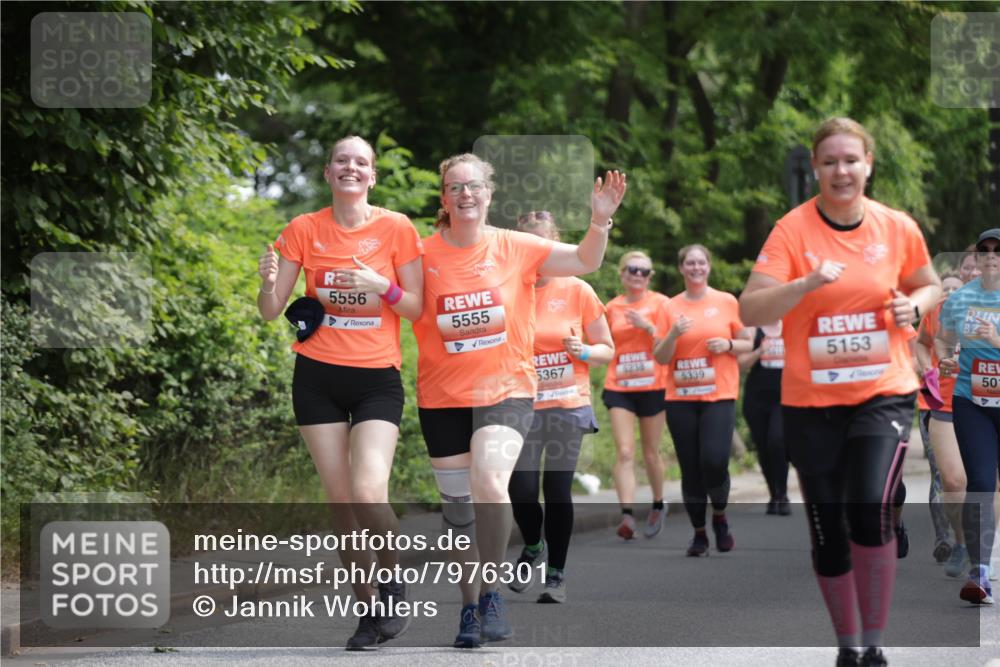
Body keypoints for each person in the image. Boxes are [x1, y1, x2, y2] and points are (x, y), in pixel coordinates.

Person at [739, 117, 940, 667]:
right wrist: (804, 284)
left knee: (870, 508)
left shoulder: (896, 227)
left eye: (851, 160)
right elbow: (750, 308)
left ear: (868, 163)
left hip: (883, 392)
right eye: (829, 162)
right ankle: (848, 645)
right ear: (816, 169)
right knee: (829, 534)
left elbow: (929, 281)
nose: (841, 170)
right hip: (811, 404)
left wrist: (915, 305)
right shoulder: (792, 231)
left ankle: (874, 644)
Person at [412, 153, 626, 647]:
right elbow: (392, 298)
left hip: (505, 389)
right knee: (457, 509)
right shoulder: (422, 254)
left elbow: (586, 261)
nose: (466, 194)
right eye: (455, 187)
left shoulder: (516, 246)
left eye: (474, 186)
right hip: (441, 395)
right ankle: (469, 608)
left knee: (489, 480)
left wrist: (599, 219)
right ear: (444, 199)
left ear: (489, 195)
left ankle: (491, 592)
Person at [257, 136, 424, 650]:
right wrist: (266, 283)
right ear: (328, 172)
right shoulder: (304, 229)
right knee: (341, 502)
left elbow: (416, 307)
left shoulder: (396, 228)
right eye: (342, 161)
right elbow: (270, 310)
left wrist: (381, 285)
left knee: (368, 491)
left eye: (361, 162)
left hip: (376, 377)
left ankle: (393, 582)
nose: (351, 167)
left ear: (371, 175)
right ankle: (367, 613)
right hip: (316, 377)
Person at [507, 211, 615, 604]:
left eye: (544, 245)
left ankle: (556, 575)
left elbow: (607, 348)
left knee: (556, 489)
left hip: (567, 404)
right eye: (528, 245)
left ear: (555, 245)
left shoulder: (578, 290)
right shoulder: (509, 288)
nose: (537, 254)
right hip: (520, 405)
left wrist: (584, 350)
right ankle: (534, 545)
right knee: (519, 489)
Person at [653, 244, 752, 556]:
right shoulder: (669, 307)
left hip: (718, 394)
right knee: (691, 467)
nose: (696, 268)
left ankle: (720, 517)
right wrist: (673, 334)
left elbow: (748, 342)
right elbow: (660, 355)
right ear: (682, 269)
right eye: (690, 263)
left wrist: (728, 343)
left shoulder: (726, 301)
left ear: (708, 267)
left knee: (713, 461)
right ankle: (699, 534)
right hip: (680, 398)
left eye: (701, 262)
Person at [936, 228, 1000, 605]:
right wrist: (947, 358)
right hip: (971, 402)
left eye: (998, 250)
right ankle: (979, 573)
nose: (991, 256)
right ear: (976, 257)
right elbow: (943, 338)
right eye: (985, 250)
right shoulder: (959, 300)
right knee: (978, 482)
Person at [602, 251, 670, 539]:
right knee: (626, 451)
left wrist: (648, 327)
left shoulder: (661, 303)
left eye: (644, 271)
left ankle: (657, 503)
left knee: (651, 453)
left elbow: (671, 342)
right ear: (622, 273)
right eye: (632, 269)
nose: (638, 275)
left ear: (650, 276)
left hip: (653, 385)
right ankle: (627, 516)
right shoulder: (611, 307)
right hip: (620, 386)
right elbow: (602, 342)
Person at [915, 271, 969, 571]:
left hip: (982, 403)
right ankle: (952, 540)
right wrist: (928, 370)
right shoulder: (933, 313)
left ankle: (980, 549)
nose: (948, 294)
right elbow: (920, 345)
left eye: (955, 289)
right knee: (947, 478)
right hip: (939, 403)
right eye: (944, 289)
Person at [737, 319, 791, 515]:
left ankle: (783, 494)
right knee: (763, 446)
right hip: (757, 397)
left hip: (784, 396)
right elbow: (740, 364)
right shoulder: (753, 327)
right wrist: (760, 350)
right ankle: (774, 494)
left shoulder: (791, 323)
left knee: (777, 441)